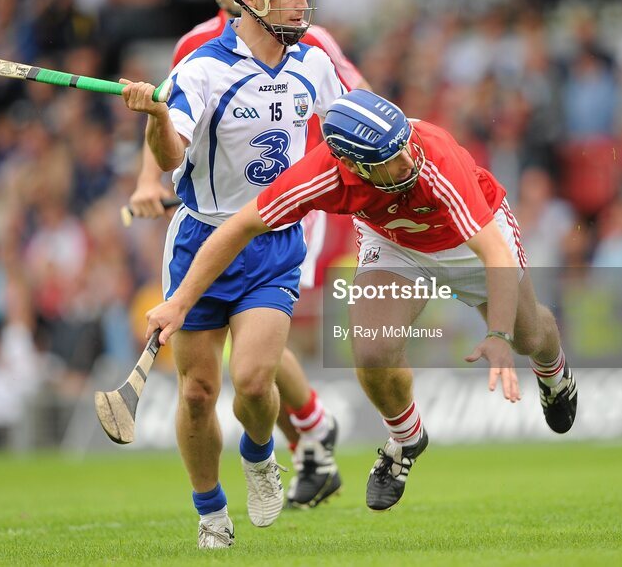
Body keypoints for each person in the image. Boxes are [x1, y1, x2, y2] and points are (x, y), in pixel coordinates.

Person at [143, 89, 578, 513]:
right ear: (353, 165)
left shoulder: (435, 159)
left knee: (527, 335)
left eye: (403, 146)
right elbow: (238, 227)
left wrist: (498, 333)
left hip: (469, 239)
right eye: (390, 161)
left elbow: (494, 253)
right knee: (371, 348)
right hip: (394, 244)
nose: (407, 160)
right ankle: (406, 439)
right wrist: (180, 301)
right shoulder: (323, 174)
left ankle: (554, 371)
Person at [129, 0, 368, 513]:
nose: (300, 6)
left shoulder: (313, 55)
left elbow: (353, 119)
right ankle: (211, 512)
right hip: (201, 239)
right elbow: (169, 156)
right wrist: (157, 122)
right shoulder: (200, 64)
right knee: (197, 392)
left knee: (254, 381)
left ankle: (264, 452)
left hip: (274, 237)